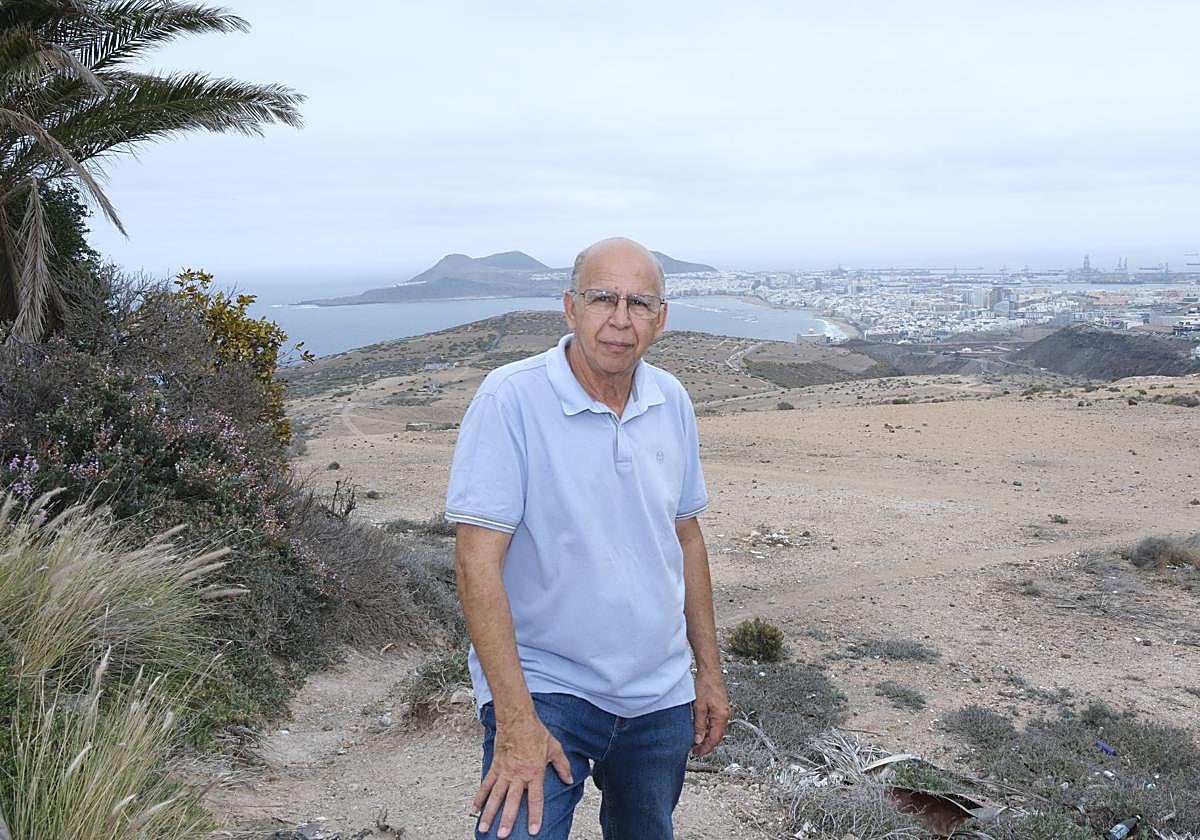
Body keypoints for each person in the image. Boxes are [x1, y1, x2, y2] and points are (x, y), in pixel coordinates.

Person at [445, 236, 729, 840]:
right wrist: (516, 718)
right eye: (603, 298)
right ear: (570, 307)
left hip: (659, 693)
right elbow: (476, 561)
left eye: (639, 303)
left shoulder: (671, 400)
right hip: (548, 685)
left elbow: (687, 537)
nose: (620, 321)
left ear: (661, 318)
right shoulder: (510, 400)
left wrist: (707, 673)